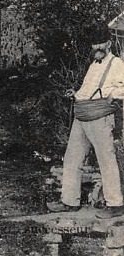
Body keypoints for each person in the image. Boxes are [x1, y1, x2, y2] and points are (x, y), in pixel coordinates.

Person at [47, 24, 124, 219]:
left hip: (100, 117)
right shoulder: (92, 65)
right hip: (82, 115)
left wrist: (111, 95)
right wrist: (77, 94)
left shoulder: (117, 64)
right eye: (93, 44)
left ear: (108, 43)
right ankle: (70, 201)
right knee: (72, 157)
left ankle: (115, 204)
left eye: (100, 43)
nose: (96, 47)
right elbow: (87, 89)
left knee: (106, 159)